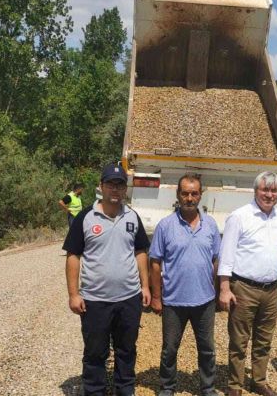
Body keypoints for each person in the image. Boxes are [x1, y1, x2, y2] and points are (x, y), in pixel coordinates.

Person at [63, 163, 151, 396]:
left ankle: (125, 390)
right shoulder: (85, 217)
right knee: (95, 353)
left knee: (126, 350)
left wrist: (145, 286)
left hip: (129, 299)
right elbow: (73, 256)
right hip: (94, 300)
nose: (115, 189)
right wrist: (74, 294)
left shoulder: (132, 217)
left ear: (125, 189)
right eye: (110, 184)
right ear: (101, 187)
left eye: (120, 184)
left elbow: (141, 251)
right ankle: (94, 391)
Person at [218, 171, 277, 396]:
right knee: (239, 341)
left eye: (273, 190)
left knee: (264, 339)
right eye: (265, 189)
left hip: (271, 289)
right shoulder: (239, 216)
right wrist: (224, 288)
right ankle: (234, 386)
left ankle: (258, 381)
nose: (269, 194)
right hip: (244, 288)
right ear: (255, 190)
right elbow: (226, 255)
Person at [149, 173, 221, 396]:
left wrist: (218, 293)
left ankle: (208, 387)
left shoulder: (210, 225)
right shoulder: (165, 226)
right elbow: (155, 263)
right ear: (178, 194)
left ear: (201, 195)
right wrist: (156, 297)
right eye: (185, 193)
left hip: (205, 300)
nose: (189, 198)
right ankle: (167, 387)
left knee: (207, 349)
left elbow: (217, 259)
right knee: (169, 349)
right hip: (173, 301)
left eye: (194, 193)